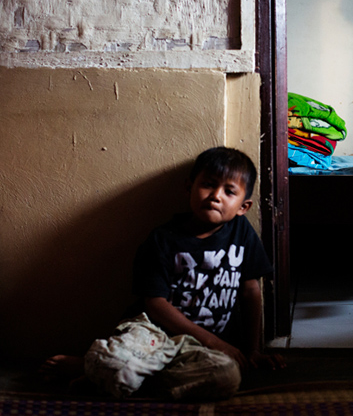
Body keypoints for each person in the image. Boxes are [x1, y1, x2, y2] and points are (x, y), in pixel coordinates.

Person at [41, 147, 285, 400]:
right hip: (152, 333)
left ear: (243, 207)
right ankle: (99, 367)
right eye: (208, 185)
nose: (215, 196)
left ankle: (105, 376)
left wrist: (252, 349)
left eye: (229, 191)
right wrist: (215, 342)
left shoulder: (242, 233)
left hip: (200, 349)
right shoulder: (163, 239)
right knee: (117, 362)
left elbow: (251, 290)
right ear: (189, 187)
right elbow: (155, 304)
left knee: (226, 376)